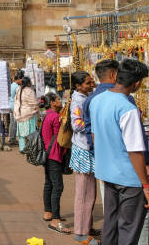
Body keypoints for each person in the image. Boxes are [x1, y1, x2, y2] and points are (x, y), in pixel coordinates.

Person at [83, 59, 149, 245]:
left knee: (110, 226)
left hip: (107, 173)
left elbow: (95, 137)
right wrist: (147, 188)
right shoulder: (127, 108)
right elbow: (135, 151)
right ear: (137, 83)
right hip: (128, 178)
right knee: (128, 230)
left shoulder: (96, 100)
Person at [67, 71, 99, 244]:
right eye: (87, 83)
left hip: (86, 148)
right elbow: (76, 124)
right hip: (83, 148)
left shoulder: (86, 96)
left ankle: (87, 226)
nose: (91, 84)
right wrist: (94, 122)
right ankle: (81, 232)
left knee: (90, 192)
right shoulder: (78, 101)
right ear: (78, 86)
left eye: (91, 81)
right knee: (85, 193)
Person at [40, 92, 71, 234]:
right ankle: (55, 220)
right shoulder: (55, 117)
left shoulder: (46, 115)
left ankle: (48, 212)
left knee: (49, 184)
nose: (60, 101)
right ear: (52, 102)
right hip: (55, 155)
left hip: (47, 154)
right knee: (57, 187)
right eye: (58, 99)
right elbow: (62, 137)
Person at [13, 76, 39, 153]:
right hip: (28, 114)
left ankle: (22, 148)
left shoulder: (19, 90)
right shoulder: (29, 91)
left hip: (20, 114)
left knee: (21, 134)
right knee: (30, 133)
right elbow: (34, 103)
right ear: (28, 82)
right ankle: (31, 148)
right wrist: (37, 108)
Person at [8, 70, 24, 145]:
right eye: (21, 80)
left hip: (11, 105)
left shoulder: (12, 85)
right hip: (14, 106)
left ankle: (11, 137)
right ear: (19, 79)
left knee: (12, 122)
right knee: (14, 123)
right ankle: (12, 139)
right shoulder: (16, 87)